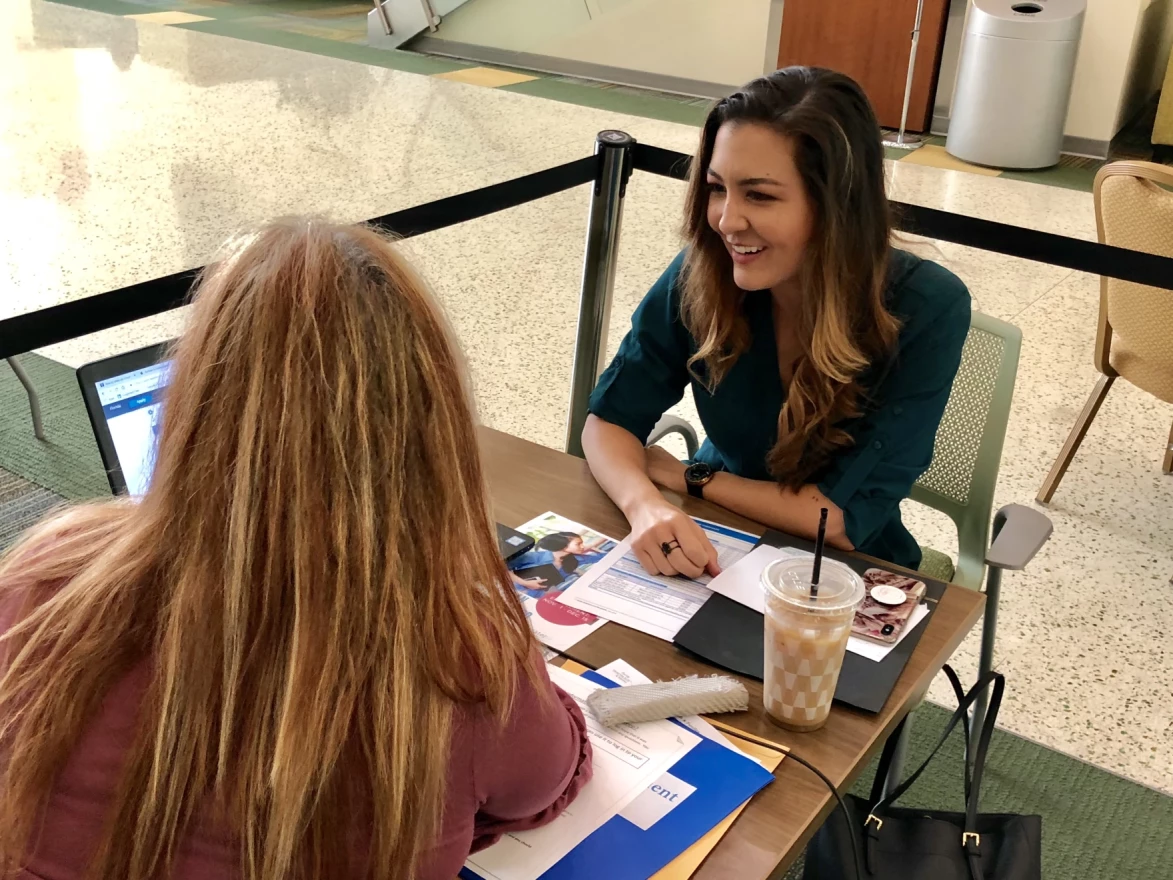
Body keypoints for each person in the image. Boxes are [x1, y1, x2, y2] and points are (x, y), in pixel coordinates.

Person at [0, 220, 591, 880]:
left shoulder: (44, 576)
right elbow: (549, 778)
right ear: (432, 434)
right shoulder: (460, 665)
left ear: (192, 399)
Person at [583, 67, 971, 578]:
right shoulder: (704, 272)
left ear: (837, 206)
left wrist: (690, 478)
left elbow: (838, 520)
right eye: (718, 188)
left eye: (760, 195)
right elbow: (609, 420)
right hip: (717, 534)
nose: (726, 220)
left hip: (843, 571)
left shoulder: (926, 306)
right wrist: (644, 505)